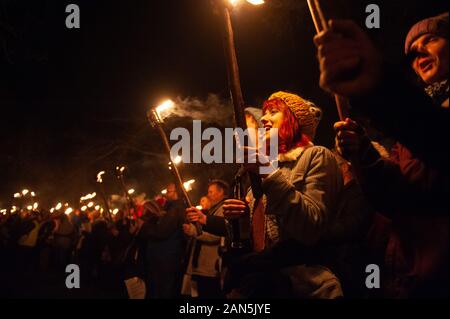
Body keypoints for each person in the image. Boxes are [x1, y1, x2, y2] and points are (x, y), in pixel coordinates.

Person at [314, 13, 449, 298]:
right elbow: (396, 198)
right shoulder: (412, 128)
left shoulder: (419, 119)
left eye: (431, 39)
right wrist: (362, 155)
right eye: (412, 51)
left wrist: (379, 86)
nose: (419, 51)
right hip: (410, 278)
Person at [219, 91, 345, 298]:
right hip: (260, 286)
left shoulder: (317, 156)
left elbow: (311, 227)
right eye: (265, 113)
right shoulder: (264, 169)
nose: (264, 118)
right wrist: (236, 218)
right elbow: (255, 239)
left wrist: (270, 174)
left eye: (274, 112)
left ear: (294, 120)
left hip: (304, 286)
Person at [137, 183, 186, 298]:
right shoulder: (169, 208)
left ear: (176, 193)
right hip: (161, 257)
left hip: (165, 257)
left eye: (169, 191)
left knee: (162, 291)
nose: (166, 194)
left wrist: (144, 226)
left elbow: (161, 232)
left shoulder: (176, 209)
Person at [182, 180, 229, 298]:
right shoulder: (213, 209)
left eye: (211, 192)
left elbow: (216, 235)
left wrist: (193, 231)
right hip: (202, 265)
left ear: (221, 192)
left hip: (210, 266)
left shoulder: (223, 208)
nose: (209, 194)